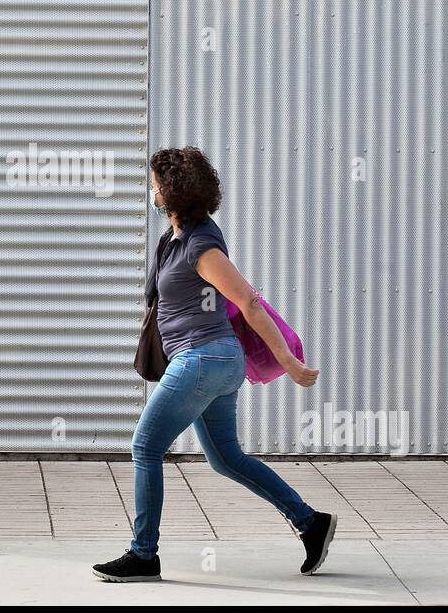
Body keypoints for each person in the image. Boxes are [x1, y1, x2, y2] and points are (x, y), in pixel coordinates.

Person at [93, 146, 336, 582]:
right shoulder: (177, 237)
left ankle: (143, 555)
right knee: (226, 458)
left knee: (145, 447)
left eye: (154, 185)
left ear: (171, 192)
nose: (150, 191)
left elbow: (249, 302)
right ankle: (310, 522)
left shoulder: (202, 246)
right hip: (213, 362)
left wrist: (289, 362)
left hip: (202, 359)